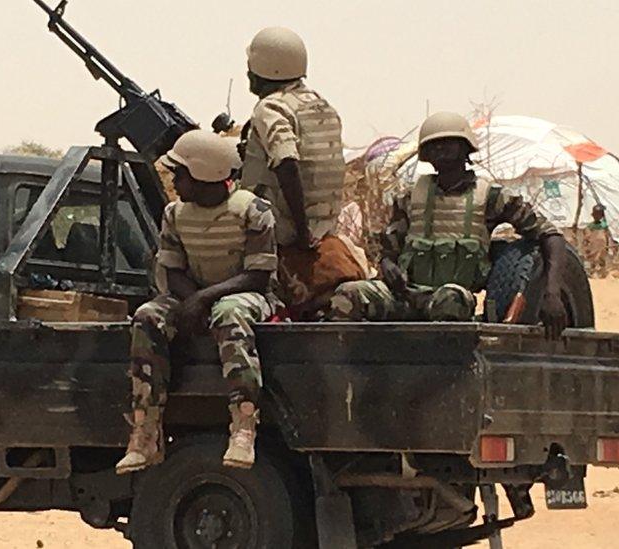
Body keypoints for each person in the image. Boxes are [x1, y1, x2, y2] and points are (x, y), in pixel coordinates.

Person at [115, 130, 278, 474]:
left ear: (204, 174)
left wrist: (203, 300)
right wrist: (192, 301)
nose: (174, 181)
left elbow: (258, 276)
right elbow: (172, 270)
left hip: (245, 296)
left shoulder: (253, 211)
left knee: (229, 312)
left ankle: (243, 425)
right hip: (192, 295)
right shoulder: (175, 214)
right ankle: (146, 431)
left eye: (180, 174)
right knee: (146, 316)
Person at [328, 112, 569, 338]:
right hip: (405, 295)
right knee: (348, 294)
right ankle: (347, 371)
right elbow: (389, 251)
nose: (440, 150)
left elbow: (551, 236)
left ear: (465, 148)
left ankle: (445, 377)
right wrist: (388, 265)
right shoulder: (411, 198)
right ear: (426, 154)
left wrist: (552, 293)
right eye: (434, 145)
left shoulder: (490, 197)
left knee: (450, 299)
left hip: (452, 297)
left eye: (448, 143)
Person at [238, 26, 366, 319]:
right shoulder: (321, 105)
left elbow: (286, 162)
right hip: (324, 229)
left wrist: (301, 229)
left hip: (283, 233)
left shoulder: (269, 107)